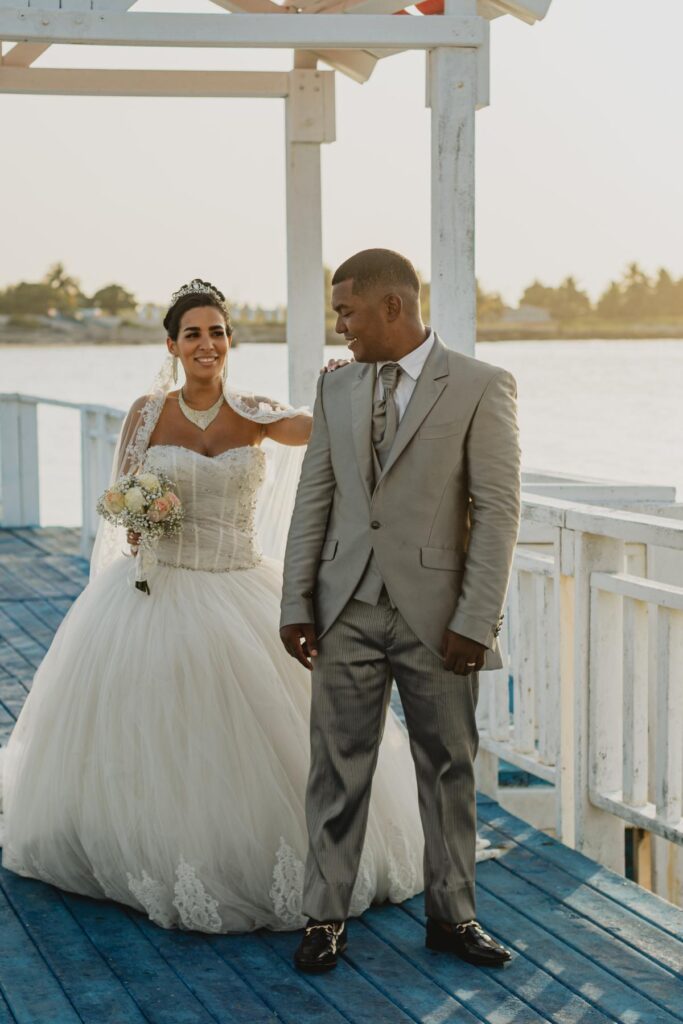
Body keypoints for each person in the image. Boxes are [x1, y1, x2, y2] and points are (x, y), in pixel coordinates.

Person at [0, 279, 427, 932]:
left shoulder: (254, 411)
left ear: (231, 342)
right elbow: (121, 499)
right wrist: (144, 516)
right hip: (157, 588)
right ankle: (143, 843)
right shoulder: (147, 412)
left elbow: (321, 433)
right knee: (157, 726)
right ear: (172, 344)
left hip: (239, 586)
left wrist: (347, 384)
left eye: (218, 332)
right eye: (193, 333)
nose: (207, 343)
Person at [280, 249, 521, 970]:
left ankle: (452, 917)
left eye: (347, 311)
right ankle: (323, 917)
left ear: (393, 307)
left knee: (449, 766)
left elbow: (499, 510)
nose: (340, 325)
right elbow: (312, 499)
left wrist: (475, 621)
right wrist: (297, 600)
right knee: (334, 765)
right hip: (344, 607)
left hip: (439, 618)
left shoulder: (481, 386)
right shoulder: (336, 389)